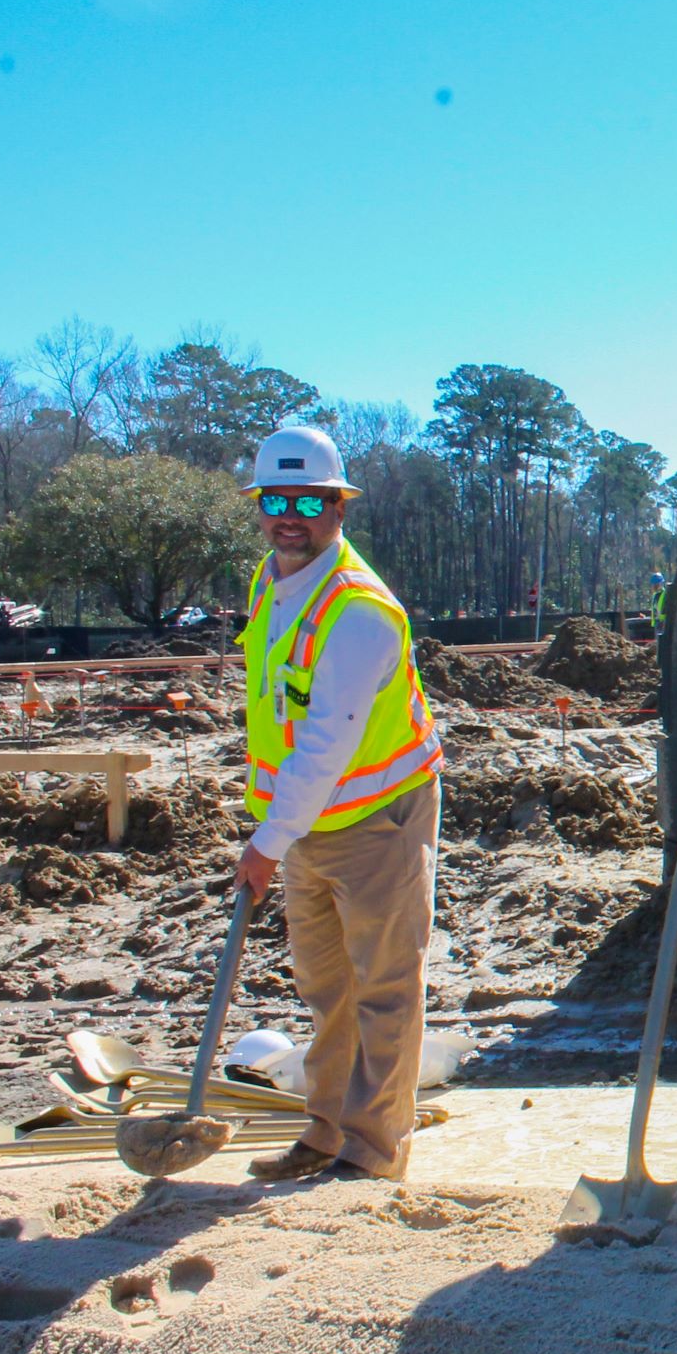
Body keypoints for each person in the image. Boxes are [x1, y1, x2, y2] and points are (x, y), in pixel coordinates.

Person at [232, 425, 445, 1182]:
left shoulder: (357, 611)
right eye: (276, 501)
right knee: (327, 988)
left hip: (377, 818)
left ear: (337, 508)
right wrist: (280, 831)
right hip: (306, 824)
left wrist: (266, 842)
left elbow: (328, 741)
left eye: (308, 503)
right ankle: (325, 1131)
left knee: (383, 989)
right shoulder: (269, 582)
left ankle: (373, 1150)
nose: (289, 518)